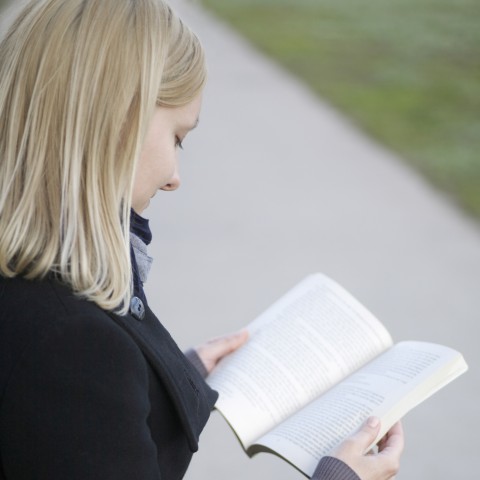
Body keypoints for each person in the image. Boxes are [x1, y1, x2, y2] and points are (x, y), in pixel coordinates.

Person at [0, 0, 404, 479]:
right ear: (114, 119)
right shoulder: (72, 342)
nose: (174, 177)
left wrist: (169, 378)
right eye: (177, 137)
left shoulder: (43, 299)